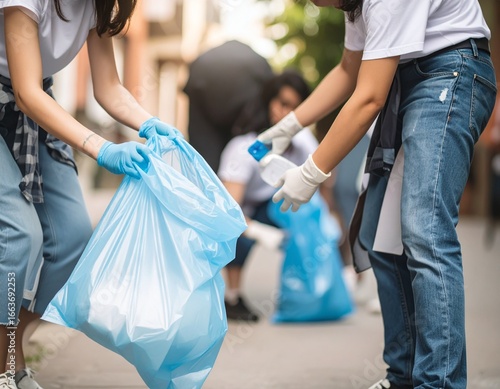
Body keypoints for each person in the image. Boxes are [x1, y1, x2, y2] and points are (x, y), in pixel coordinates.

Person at [258, 1, 497, 388]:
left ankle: (439, 382)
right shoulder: (356, 5)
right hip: (407, 81)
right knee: (383, 237)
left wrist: (311, 172)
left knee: (425, 229)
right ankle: (403, 375)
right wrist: (291, 123)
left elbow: (369, 97)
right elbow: (349, 70)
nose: (322, 5)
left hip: (451, 73)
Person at [0, 1, 176, 388]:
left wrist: (150, 124)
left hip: (32, 109)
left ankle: (7, 347)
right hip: (22, 101)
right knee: (18, 238)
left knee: (72, 242)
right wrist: (102, 148)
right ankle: (5, 367)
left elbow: (109, 88)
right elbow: (27, 91)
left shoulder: (98, 5)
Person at [217, 71, 315, 321]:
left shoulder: (303, 145)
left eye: (296, 108)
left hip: (273, 205)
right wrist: (261, 232)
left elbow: (320, 186)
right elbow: (229, 210)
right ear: (268, 101)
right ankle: (232, 296)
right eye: (283, 104)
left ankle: (309, 288)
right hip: (240, 213)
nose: (287, 115)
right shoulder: (244, 148)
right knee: (239, 234)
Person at [183, 40, 274, 172]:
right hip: (242, 106)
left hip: (204, 84)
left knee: (204, 169)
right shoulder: (259, 67)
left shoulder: (203, 64)